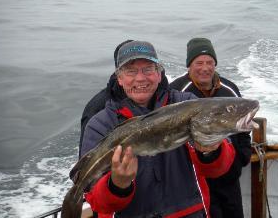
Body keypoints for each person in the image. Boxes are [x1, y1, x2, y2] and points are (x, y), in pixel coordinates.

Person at [79, 40, 237, 218]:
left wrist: (211, 152)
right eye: (131, 71)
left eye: (148, 69)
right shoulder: (99, 124)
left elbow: (218, 169)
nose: (140, 78)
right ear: (119, 78)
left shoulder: (187, 103)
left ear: (159, 74)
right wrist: (117, 185)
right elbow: (97, 201)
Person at [170, 37, 252, 218]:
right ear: (189, 65)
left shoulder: (230, 90)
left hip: (229, 179)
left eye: (210, 62)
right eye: (199, 63)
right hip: (195, 181)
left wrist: (241, 158)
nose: (205, 68)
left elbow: (244, 127)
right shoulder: (177, 91)